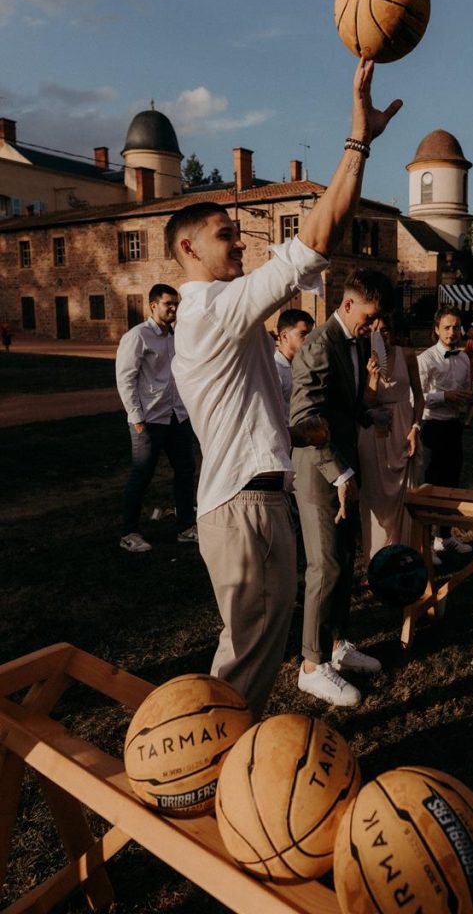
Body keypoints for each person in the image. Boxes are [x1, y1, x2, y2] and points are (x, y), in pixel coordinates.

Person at [167, 59, 401, 718]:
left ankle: (206, 763)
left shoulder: (218, 321)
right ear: (188, 248)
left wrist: (294, 431)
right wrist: (358, 141)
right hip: (243, 510)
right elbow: (317, 238)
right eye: (225, 234)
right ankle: (194, 779)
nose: (238, 241)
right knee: (245, 658)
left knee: (251, 650)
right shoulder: (211, 306)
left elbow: (234, 411)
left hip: (251, 503)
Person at [290, 268, 395, 707]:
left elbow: (345, 407)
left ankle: (336, 646)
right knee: (325, 566)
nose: (373, 327)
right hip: (319, 473)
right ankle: (312, 667)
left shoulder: (359, 340)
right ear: (348, 304)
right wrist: (340, 473)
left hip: (346, 467)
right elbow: (303, 422)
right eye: (369, 317)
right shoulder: (317, 346)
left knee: (345, 560)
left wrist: (370, 415)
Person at [115, 283, 197, 553]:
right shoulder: (137, 336)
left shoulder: (177, 336)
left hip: (177, 416)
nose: (174, 308)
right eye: (168, 303)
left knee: (186, 471)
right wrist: (136, 418)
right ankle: (129, 533)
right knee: (142, 475)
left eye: (176, 303)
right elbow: (126, 378)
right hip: (149, 419)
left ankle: (186, 527)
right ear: (153, 306)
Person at [358, 314, 424, 564]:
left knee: (405, 493)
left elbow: (419, 395)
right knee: (375, 496)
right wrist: (372, 377)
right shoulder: (362, 359)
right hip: (375, 430)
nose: (380, 336)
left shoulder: (407, 355)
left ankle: (404, 552)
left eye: (384, 330)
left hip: (404, 428)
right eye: (374, 331)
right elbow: (366, 404)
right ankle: (377, 558)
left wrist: (415, 427)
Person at [417, 305, 473, 567]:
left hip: (453, 426)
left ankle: (445, 536)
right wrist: (444, 396)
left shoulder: (463, 359)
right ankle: (426, 543)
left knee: (451, 484)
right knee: (430, 484)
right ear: (436, 330)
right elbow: (415, 397)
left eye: (456, 327)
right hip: (431, 427)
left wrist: (463, 400)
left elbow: (465, 389)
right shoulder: (426, 359)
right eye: (447, 327)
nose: (452, 332)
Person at [273, 308, 314, 416]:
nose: (309, 339)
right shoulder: (273, 370)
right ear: (284, 336)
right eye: (303, 334)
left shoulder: (307, 365)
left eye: (310, 334)